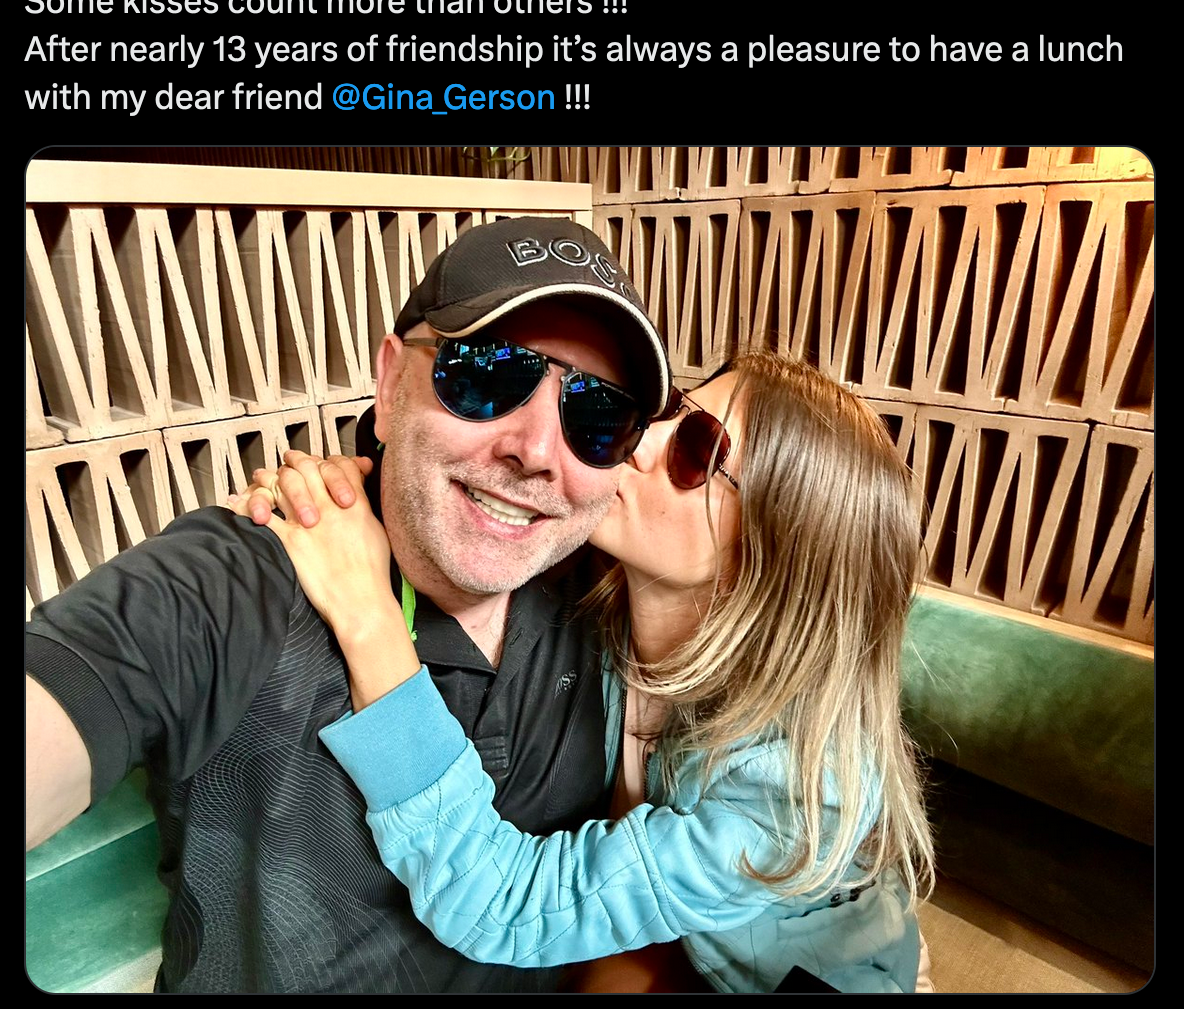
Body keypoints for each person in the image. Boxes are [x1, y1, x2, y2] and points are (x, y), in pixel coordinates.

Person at [24, 217, 672, 993]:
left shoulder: (611, 595)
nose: (535, 451)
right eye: (485, 374)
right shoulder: (239, 581)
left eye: (597, 416)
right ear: (391, 385)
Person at [233, 349, 936, 993]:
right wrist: (332, 497)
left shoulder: (795, 785)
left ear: (775, 555)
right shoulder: (592, 586)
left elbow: (501, 903)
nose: (642, 441)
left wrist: (367, 615)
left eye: (698, 452)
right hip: (671, 936)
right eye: (673, 411)